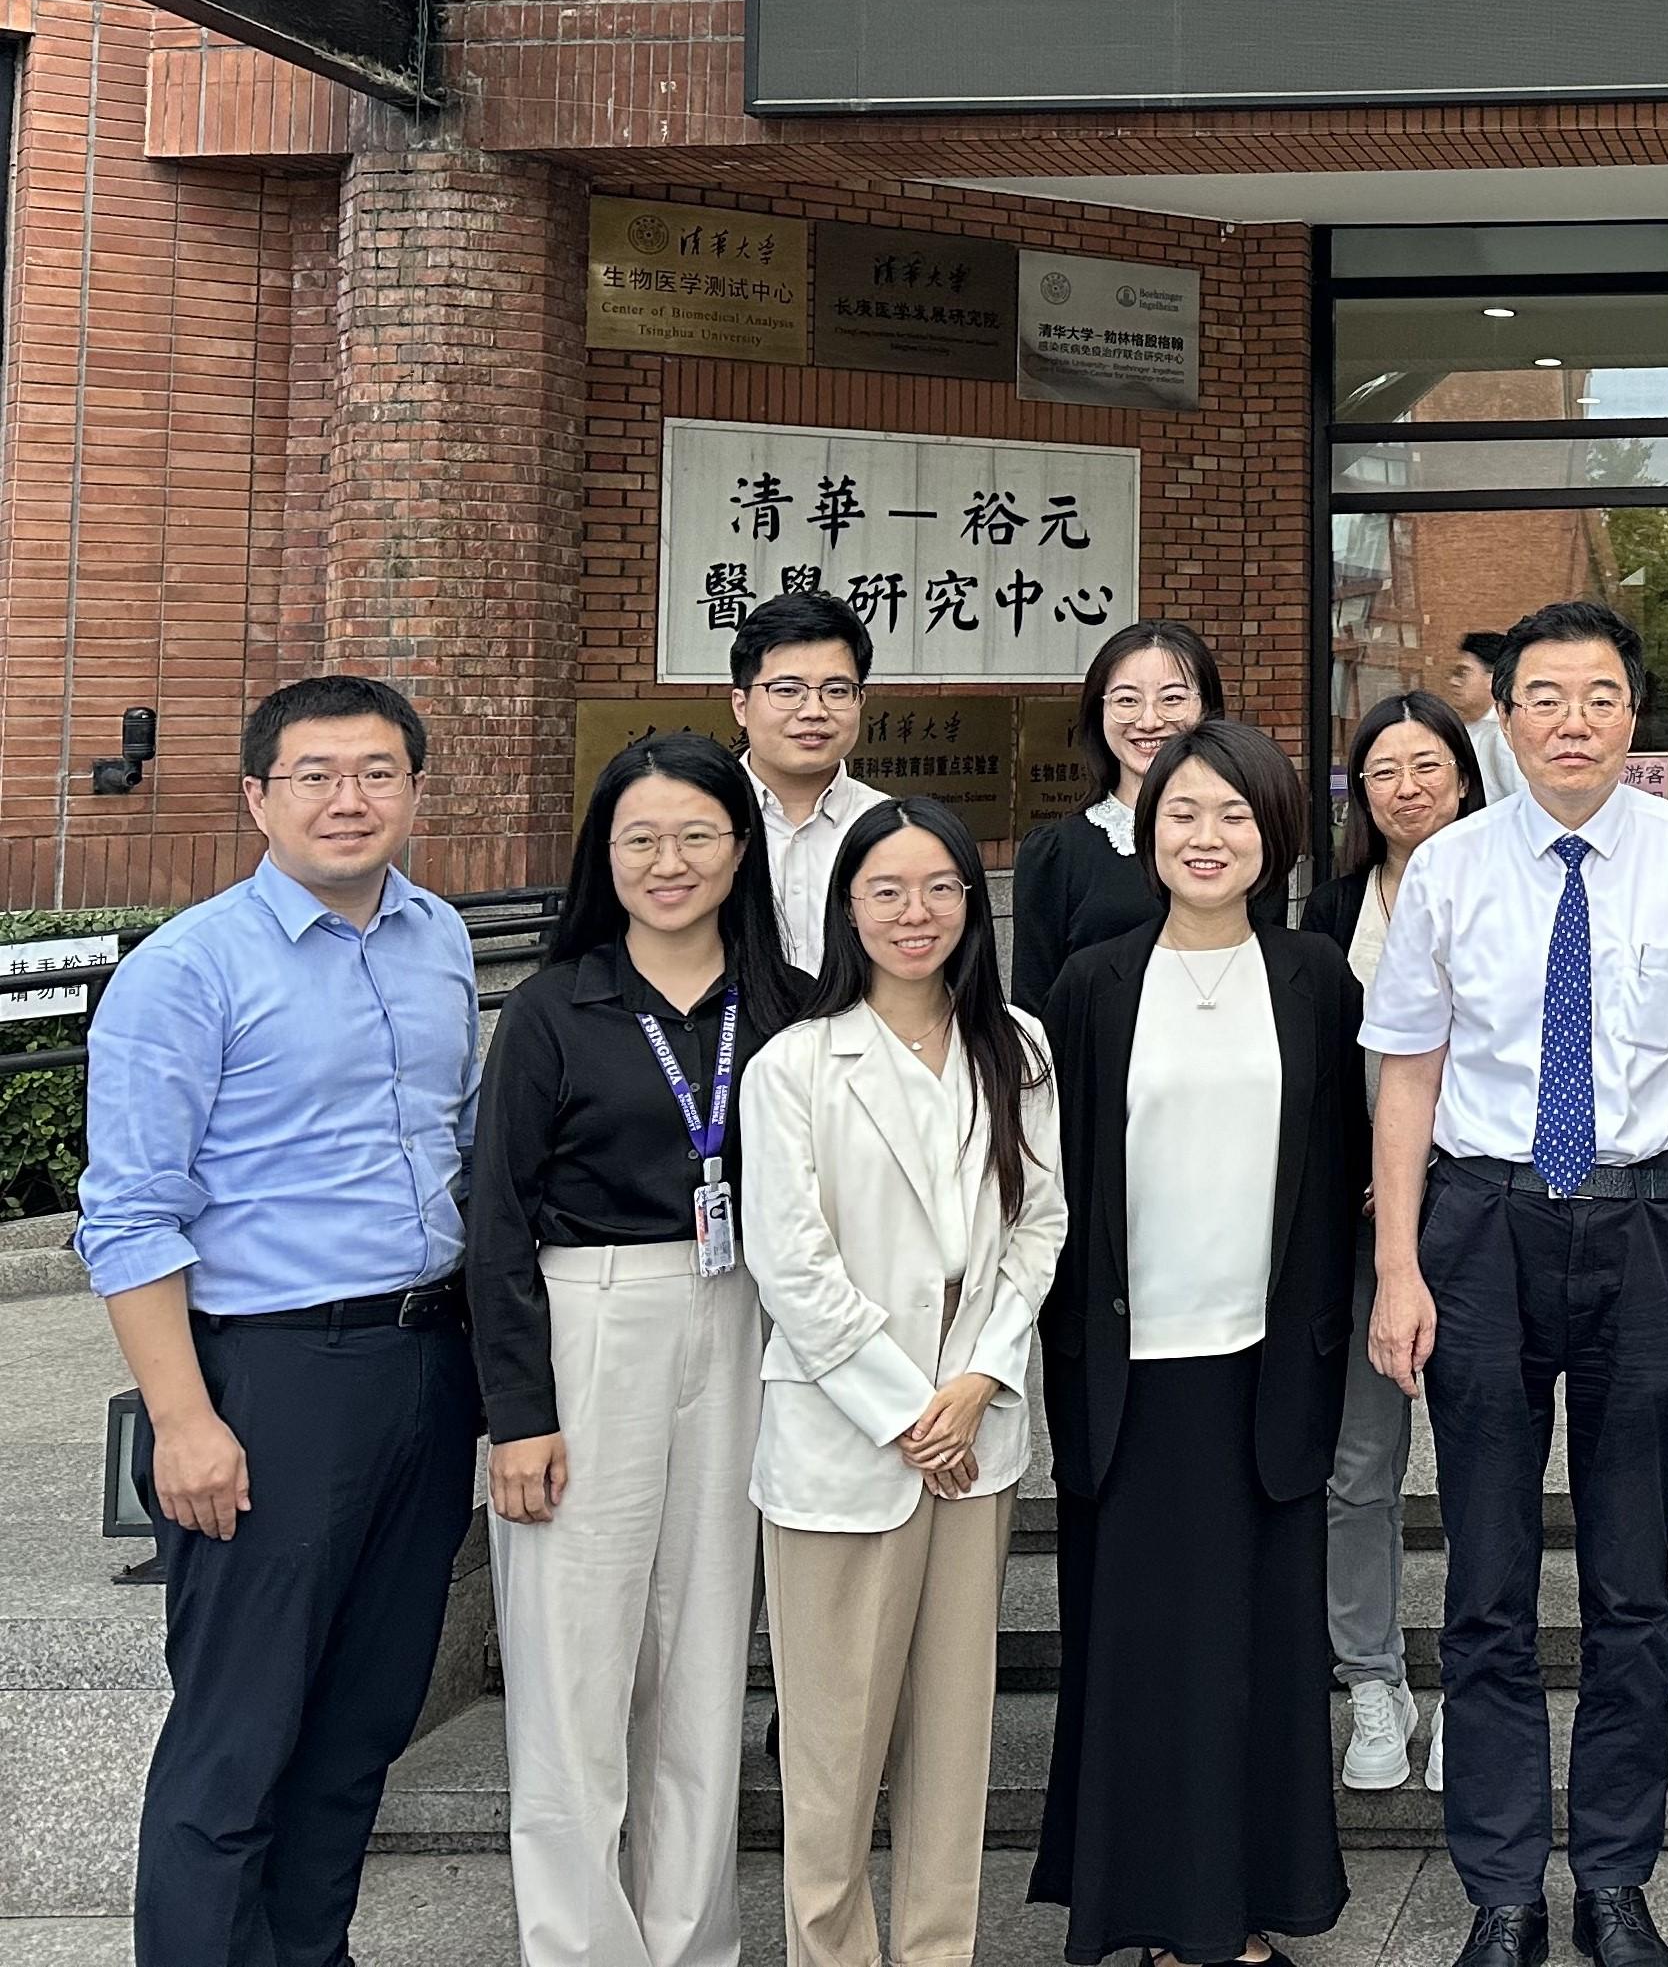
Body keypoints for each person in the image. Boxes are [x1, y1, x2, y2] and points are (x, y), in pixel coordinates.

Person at [1363, 601, 1668, 1967]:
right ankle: (1499, 1888)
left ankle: (1611, 1875)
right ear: (1507, 715)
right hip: (1481, 1225)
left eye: (1598, 694)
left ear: (1631, 712)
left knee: (1629, 1575)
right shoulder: (1451, 867)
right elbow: (1406, 1073)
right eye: (1544, 695)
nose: (1572, 720)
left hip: (1647, 1221)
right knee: (1481, 1573)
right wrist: (1397, 1264)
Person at [79, 675, 484, 1967]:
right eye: (314, 773)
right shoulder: (186, 969)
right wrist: (185, 1421)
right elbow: (131, 1214)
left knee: (363, 1722)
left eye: (375, 771)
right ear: (258, 795)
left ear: (417, 789)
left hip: (426, 1367)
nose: (347, 798)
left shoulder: (441, 941)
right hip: (266, 1376)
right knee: (237, 1737)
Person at [471, 731, 815, 1967]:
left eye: (696, 836)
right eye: (638, 839)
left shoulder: (787, 1003)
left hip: (742, 1319)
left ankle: (692, 1943)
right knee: (573, 1671)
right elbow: (496, 1218)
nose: (668, 862)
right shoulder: (555, 1007)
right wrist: (518, 1414)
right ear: (601, 855)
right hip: (590, 1322)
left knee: (704, 1654)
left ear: (741, 849)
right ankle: (579, 1947)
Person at [1034, 720, 1368, 1966]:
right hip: (1127, 1370)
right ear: (1144, 828)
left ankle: (1239, 1911)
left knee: (1258, 1656)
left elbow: (1342, 1174)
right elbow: (1052, 1184)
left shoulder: (1318, 978)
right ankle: (1151, 1912)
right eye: (1183, 813)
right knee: (1139, 1651)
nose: (1206, 836)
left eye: (1233, 814)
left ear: (1273, 833)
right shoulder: (1092, 981)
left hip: (1268, 1365)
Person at [743, 798, 1069, 1967]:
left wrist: (978, 1376)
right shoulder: (794, 1063)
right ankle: (831, 1952)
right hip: (848, 1431)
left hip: (974, 1425)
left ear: (972, 905)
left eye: (939, 886)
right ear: (846, 909)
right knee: (832, 1744)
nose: (914, 911)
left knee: (951, 1734)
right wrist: (904, 1409)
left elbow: (1040, 1226)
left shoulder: (1017, 1044)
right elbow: (791, 1260)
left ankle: (938, 1948)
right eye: (885, 889)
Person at [1305, 690, 1488, 1797]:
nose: (1407, 785)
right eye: (1383, 769)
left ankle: (1475, 1682)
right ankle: (1373, 1675)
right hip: (1360, 1228)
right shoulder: (1326, 911)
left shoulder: (1509, 886)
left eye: (1427, 764)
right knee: (1358, 1467)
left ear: (1465, 776)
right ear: (1358, 793)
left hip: (1476, 1221)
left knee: (1482, 1462)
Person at [1014, 621, 1227, 1010]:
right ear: (1100, 711)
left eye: (1173, 698)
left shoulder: (1243, 842)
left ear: (1207, 708)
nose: (1149, 721)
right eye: (1127, 700)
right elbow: (1034, 1012)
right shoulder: (1055, 854)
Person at [731, 591, 889, 971]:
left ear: (860, 701)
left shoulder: (889, 826)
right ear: (741, 705)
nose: (814, 712)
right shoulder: (698, 823)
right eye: (787, 691)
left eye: (836, 691)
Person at [1442, 629, 1526, 800]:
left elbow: (1525, 801)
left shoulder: (1505, 735)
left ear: (1493, 678)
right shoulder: (1467, 731)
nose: (1454, 682)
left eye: (1463, 673)